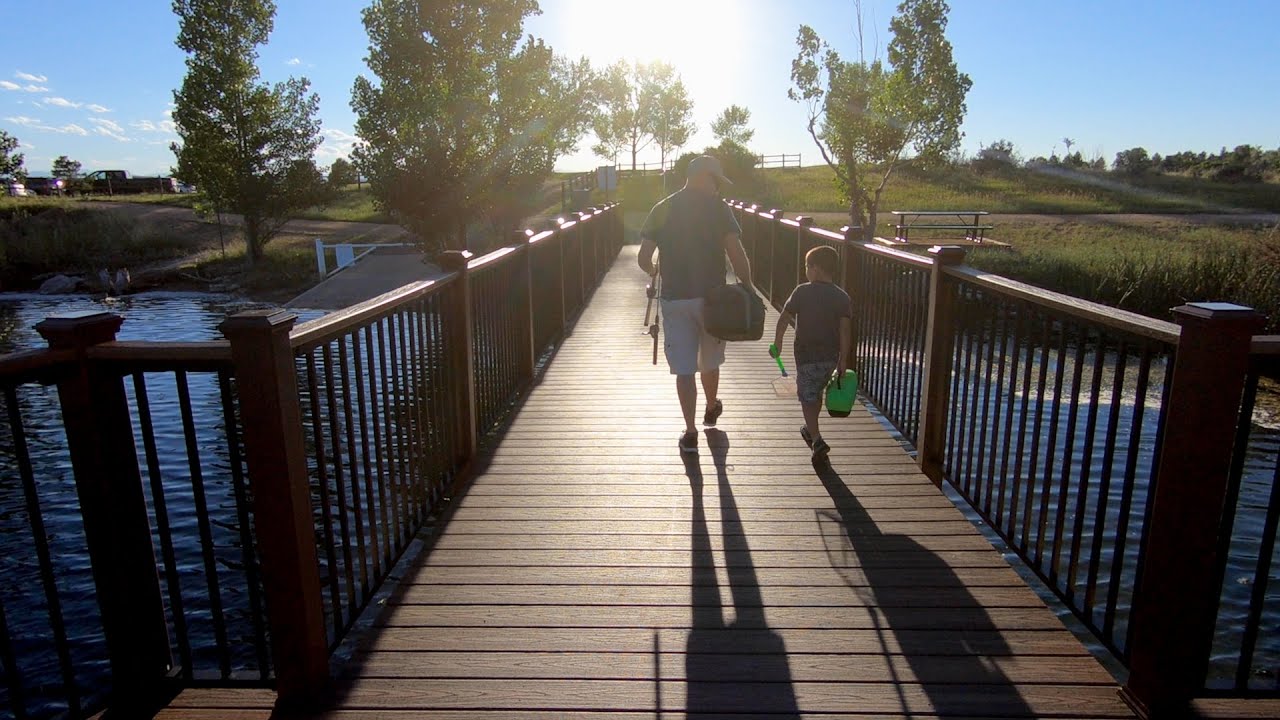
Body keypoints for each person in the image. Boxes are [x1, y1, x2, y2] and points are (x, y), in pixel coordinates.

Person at [637, 155, 753, 454]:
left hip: (675, 300)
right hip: (712, 301)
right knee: (710, 360)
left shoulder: (662, 208)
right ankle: (712, 405)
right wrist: (749, 287)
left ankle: (690, 431)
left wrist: (654, 272)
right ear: (705, 177)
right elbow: (736, 253)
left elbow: (643, 258)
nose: (718, 188)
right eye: (716, 181)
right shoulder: (718, 209)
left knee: (684, 370)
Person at [770, 245, 851, 461]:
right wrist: (843, 359)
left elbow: (784, 318)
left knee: (807, 397)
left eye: (807, 266)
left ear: (815, 269)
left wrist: (778, 342)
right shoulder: (842, 297)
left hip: (806, 357)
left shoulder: (801, 291)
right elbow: (845, 331)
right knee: (815, 394)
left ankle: (816, 439)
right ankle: (810, 428)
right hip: (830, 358)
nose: (805, 270)